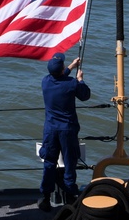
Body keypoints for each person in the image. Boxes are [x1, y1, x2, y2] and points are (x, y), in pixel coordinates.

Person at [38, 52, 91, 211]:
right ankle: (69, 196)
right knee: (69, 163)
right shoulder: (72, 84)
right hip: (67, 130)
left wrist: (71, 67)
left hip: (51, 130)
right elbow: (85, 95)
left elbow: (59, 76)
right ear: (61, 69)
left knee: (49, 163)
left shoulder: (45, 82)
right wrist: (80, 80)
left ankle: (45, 198)